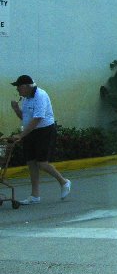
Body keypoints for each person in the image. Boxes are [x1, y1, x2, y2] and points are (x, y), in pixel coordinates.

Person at [9, 75, 71, 204]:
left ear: (26, 86)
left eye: (19, 87)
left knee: (42, 163)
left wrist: (21, 136)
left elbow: (38, 119)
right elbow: (25, 118)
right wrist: (16, 109)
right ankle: (35, 196)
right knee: (31, 162)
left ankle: (64, 182)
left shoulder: (40, 96)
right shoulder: (25, 99)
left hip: (45, 131)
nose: (17, 90)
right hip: (30, 131)